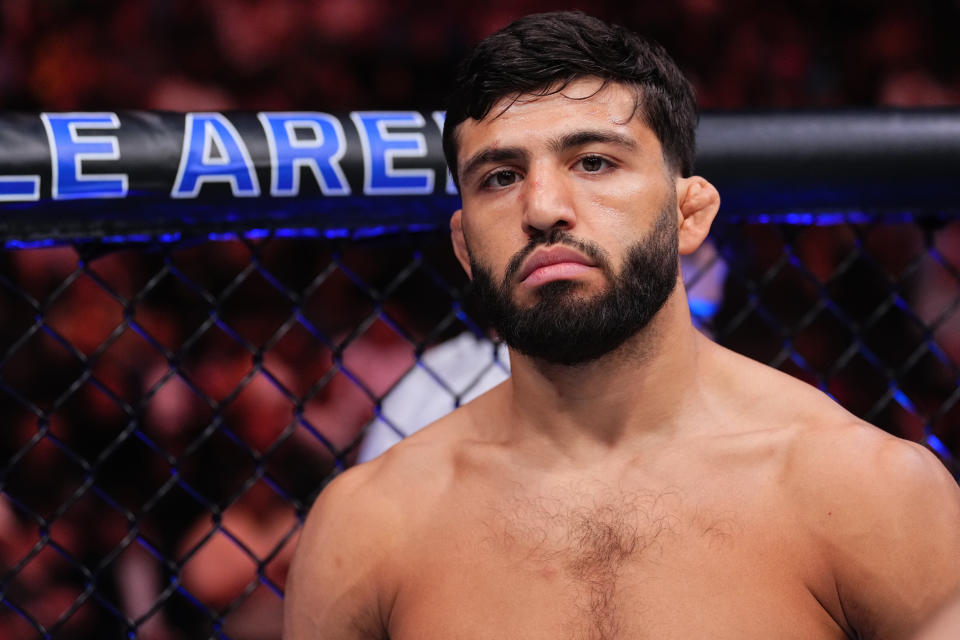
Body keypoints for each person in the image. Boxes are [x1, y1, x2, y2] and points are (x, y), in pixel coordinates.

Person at [284, 11, 960, 639]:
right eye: (499, 176)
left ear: (689, 214)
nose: (543, 206)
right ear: (464, 247)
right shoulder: (368, 527)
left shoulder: (868, 494)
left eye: (594, 162)